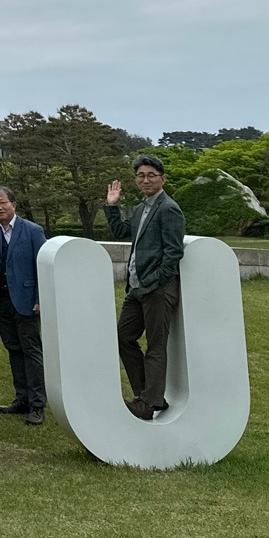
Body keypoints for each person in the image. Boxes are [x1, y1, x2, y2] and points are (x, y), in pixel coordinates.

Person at [105, 155, 185, 420]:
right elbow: (120, 232)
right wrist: (112, 206)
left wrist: (153, 281)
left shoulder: (168, 209)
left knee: (155, 346)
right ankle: (149, 396)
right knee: (123, 338)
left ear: (163, 179)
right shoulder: (142, 208)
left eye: (151, 175)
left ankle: (148, 403)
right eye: (141, 175)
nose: (146, 180)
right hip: (137, 289)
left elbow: (173, 253)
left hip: (157, 289)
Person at [0, 187, 47, 426]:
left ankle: (37, 404)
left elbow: (43, 265)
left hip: (27, 298)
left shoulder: (33, 230)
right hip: (0, 298)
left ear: (14, 204)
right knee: (13, 348)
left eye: (3, 203)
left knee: (31, 350)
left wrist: (40, 298)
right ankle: (22, 398)